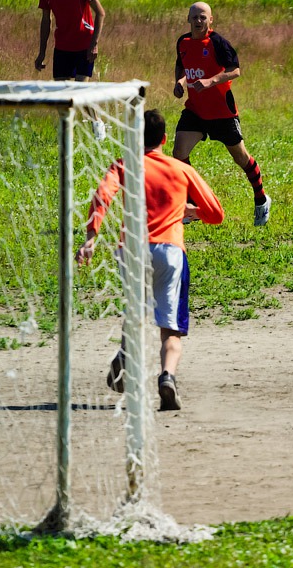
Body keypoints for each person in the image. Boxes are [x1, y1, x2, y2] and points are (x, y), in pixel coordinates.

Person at [75, 109, 224, 411]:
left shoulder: (124, 164)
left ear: (133, 138)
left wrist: (91, 237)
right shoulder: (180, 169)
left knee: (135, 314)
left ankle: (124, 356)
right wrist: (190, 211)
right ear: (165, 139)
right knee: (169, 328)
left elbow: (102, 196)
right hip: (169, 251)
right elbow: (216, 213)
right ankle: (167, 377)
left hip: (130, 250)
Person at [172, 1, 271, 226]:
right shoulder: (183, 42)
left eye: (203, 17)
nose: (198, 21)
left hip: (222, 112)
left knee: (241, 158)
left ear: (211, 20)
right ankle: (191, 205)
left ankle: (261, 199)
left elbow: (235, 70)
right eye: (195, 17)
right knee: (179, 153)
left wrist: (210, 81)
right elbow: (181, 65)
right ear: (188, 19)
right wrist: (179, 82)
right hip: (195, 110)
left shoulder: (217, 42)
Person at [34, 0, 107, 138]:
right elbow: (45, 20)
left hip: (84, 44)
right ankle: (67, 131)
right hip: (62, 46)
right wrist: (42, 52)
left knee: (81, 91)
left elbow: (100, 13)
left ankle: (96, 122)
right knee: (62, 93)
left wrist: (94, 44)